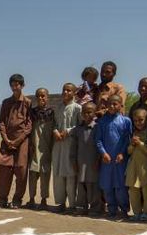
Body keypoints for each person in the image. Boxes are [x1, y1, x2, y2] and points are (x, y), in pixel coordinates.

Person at [0, 74, 33, 209]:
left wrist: (18, 141)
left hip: (21, 141)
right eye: (12, 84)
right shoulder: (6, 102)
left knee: (21, 171)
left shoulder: (28, 102)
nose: (15, 87)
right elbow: (2, 123)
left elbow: (29, 125)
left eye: (17, 84)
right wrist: (6, 139)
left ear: (22, 85)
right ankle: (2, 199)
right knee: (4, 171)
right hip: (7, 141)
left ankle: (17, 199)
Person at [95, 94, 132, 219]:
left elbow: (127, 139)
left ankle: (124, 209)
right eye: (110, 103)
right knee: (107, 186)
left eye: (115, 104)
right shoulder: (102, 121)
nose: (112, 106)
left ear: (120, 105)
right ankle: (111, 209)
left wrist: (122, 153)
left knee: (120, 186)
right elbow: (98, 140)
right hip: (107, 159)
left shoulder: (126, 121)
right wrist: (103, 153)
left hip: (120, 160)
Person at [51, 82, 81, 213]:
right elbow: (54, 124)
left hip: (70, 145)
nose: (66, 92)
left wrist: (68, 131)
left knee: (70, 175)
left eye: (69, 90)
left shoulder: (78, 108)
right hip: (58, 145)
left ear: (74, 93)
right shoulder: (58, 108)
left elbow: (80, 126)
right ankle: (60, 203)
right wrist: (55, 131)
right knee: (58, 174)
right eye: (64, 90)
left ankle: (72, 204)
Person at [69, 101, 101, 215]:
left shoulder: (98, 128)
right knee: (81, 185)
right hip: (81, 161)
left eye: (90, 112)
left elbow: (100, 145)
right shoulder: (78, 129)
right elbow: (73, 147)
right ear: (81, 114)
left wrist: (98, 160)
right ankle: (81, 206)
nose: (87, 115)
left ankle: (95, 207)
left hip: (93, 162)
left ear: (95, 113)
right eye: (85, 113)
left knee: (93, 185)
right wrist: (73, 161)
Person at [26, 88, 55, 209]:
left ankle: (43, 199)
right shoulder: (32, 112)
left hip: (46, 148)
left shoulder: (51, 112)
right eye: (38, 96)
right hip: (34, 146)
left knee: (45, 174)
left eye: (43, 96)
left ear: (47, 97)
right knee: (32, 174)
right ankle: (31, 198)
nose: (41, 98)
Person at [126, 107, 147, 222]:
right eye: (136, 121)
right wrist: (132, 145)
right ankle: (136, 212)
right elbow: (128, 151)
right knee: (133, 190)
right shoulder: (133, 133)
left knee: (146, 190)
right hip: (133, 166)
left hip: (145, 165)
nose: (138, 123)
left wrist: (140, 143)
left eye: (141, 120)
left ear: (146, 120)